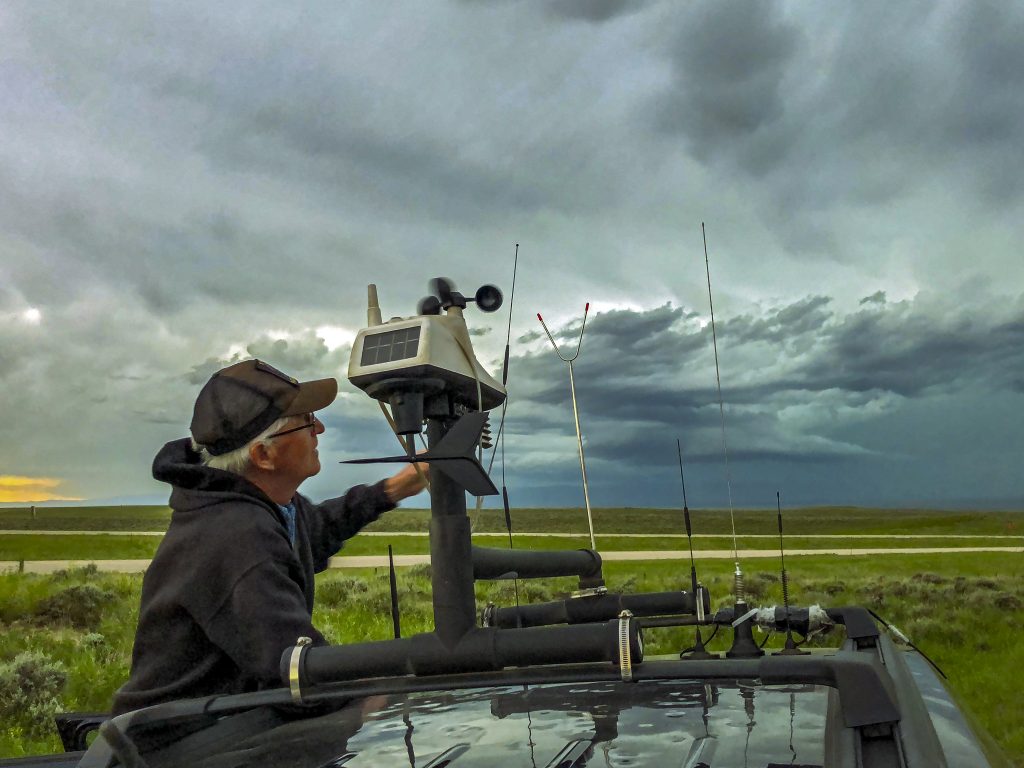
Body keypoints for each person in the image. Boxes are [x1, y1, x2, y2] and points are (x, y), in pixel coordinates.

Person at [112, 359, 426, 714]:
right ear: (264, 455)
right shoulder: (237, 537)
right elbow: (295, 673)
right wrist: (393, 698)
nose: (319, 428)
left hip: (231, 718)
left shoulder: (263, 507)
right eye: (306, 421)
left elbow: (317, 528)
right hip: (186, 739)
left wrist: (397, 487)